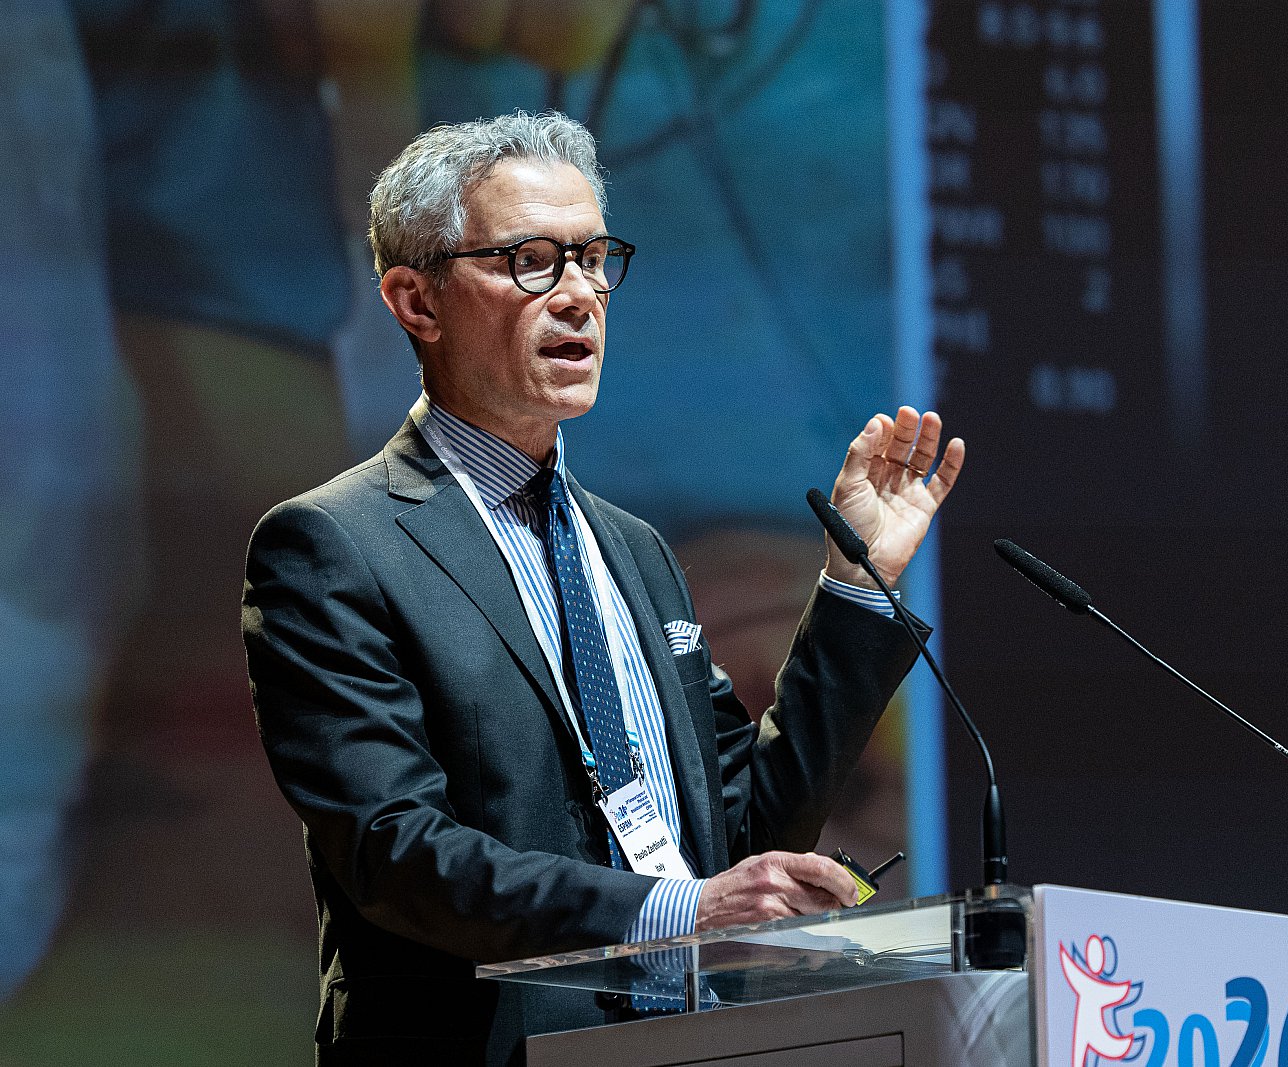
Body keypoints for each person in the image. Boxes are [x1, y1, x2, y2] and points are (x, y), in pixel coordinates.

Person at [241, 110, 963, 1066]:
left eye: (592, 259)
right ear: (416, 301)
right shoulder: (336, 545)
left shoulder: (634, 551)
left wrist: (855, 582)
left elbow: (741, 824)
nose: (579, 294)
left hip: (690, 1041)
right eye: (532, 261)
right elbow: (394, 851)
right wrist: (673, 909)